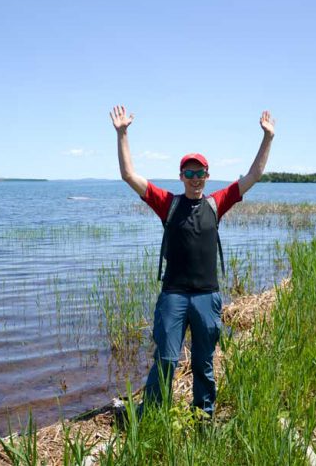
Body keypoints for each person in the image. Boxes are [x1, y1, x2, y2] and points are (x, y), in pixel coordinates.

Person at [110, 104, 275, 420]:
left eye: (200, 173)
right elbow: (129, 175)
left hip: (206, 297)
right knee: (167, 360)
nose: (195, 178)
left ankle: (203, 417)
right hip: (173, 295)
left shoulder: (216, 203)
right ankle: (150, 416)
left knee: (203, 362)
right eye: (189, 173)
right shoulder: (168, 204)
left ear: (207, 176)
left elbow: (254, 175)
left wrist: (267, 138)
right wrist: (122, 134)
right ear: (181, 176)